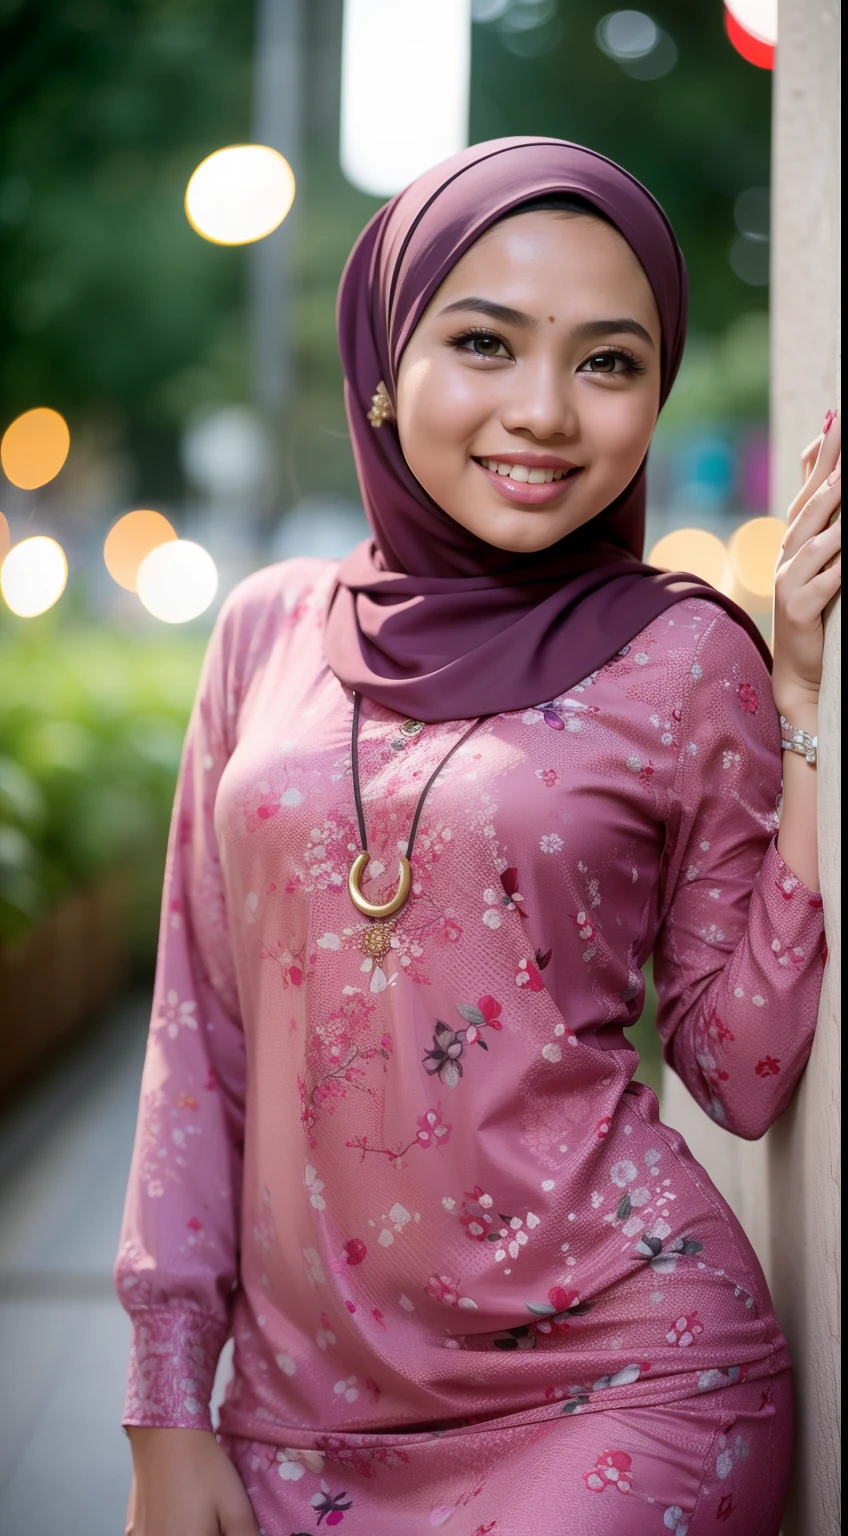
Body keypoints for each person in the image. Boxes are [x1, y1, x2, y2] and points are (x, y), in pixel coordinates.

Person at [118, 139, 839, 1536]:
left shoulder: (686, 655)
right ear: (386, 365)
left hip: (626, 1387)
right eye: (487, 342)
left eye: (610, 363)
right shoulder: (266, 633)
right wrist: (163, 1399)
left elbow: (742, 1069)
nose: (547, 411)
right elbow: (196, 1037)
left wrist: (803, 702)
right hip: (291, 1420)